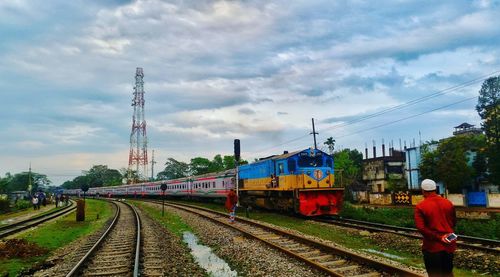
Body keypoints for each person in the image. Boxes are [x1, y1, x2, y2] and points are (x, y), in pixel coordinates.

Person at [414, 179, 457, 277]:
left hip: (432, 247)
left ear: (423, 191)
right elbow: (453, 222)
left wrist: (438, 237)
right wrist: (446, 235)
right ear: (435, 189)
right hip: (449, 245)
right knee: (448, 272)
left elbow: (421, 228)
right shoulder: (448, 203)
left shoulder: (421, 206)